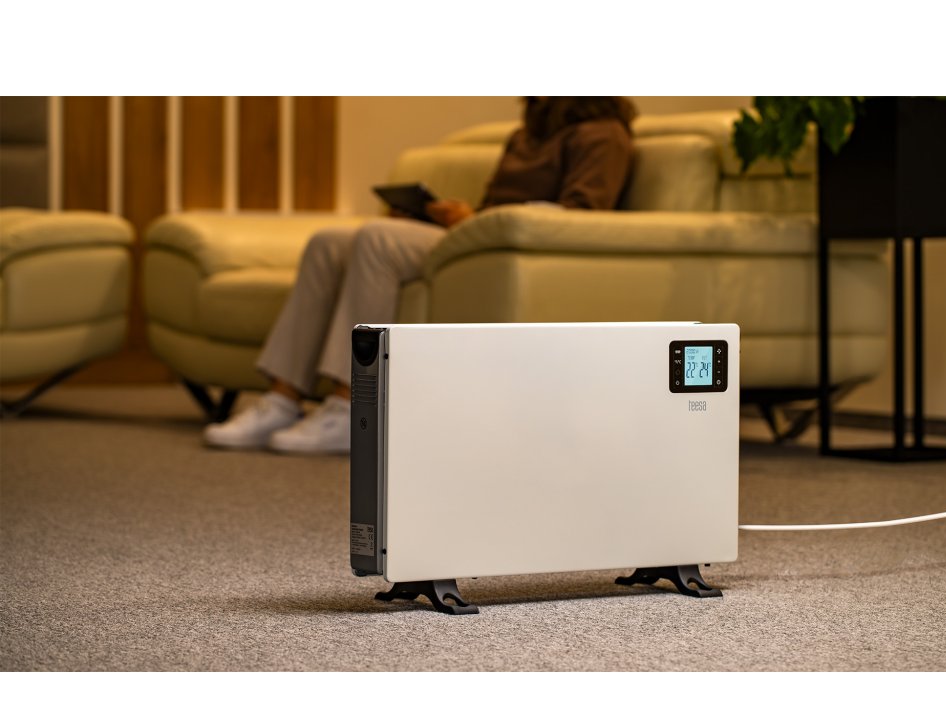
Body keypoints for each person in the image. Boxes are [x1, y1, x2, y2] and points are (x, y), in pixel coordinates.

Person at [204, 96, 637, 454]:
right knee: (328, 243)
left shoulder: (604, 134)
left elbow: (582, 214)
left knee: (377, 239)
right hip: (477, 236)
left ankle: (352, 407)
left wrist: (478, 219)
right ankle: (282, 399)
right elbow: (496, 205)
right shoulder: (527, 134)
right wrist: (442, 215)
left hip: (504, 246)